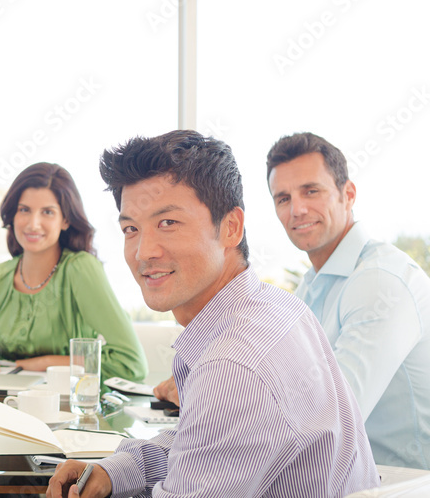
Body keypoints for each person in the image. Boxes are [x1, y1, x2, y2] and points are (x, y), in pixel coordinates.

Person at [48, 130, 378, 498]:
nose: (144, 251)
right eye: (131, 229)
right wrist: (114, 471)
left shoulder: (233, 366)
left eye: (168, 223)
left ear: (231, 228)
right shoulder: (276, 307)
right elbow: (202, 443)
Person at [267, 132, 430, 469]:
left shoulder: (379, 280)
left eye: (311, 191)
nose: (297, 209)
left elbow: (331, 420)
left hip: (405, 484)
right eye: (283, 198)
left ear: (348, 194)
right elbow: (288, 386)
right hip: (351, 476)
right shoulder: (312, 286)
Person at [0, 162, 146, 381]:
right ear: (13, 215)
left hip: (70, 400)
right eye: (24, 210)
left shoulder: (81, 269)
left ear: (65, 220)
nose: (33, 224)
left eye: (47, 212)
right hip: (4, 399)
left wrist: (41, 364)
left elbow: (131, 364)